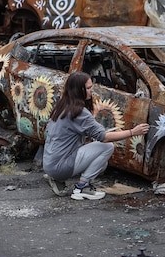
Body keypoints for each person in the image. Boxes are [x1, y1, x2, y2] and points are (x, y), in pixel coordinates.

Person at [43, 72, 150, 200]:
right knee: (107, 147)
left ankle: (58, 178)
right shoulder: (79, 112)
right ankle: (81, 187)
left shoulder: (61, 106)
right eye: (88, 88)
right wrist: (133, 132)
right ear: (78, 90)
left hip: (50, 163)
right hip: (60, 166)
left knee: (102, 164)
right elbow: (104, 137)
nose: (92, 91)